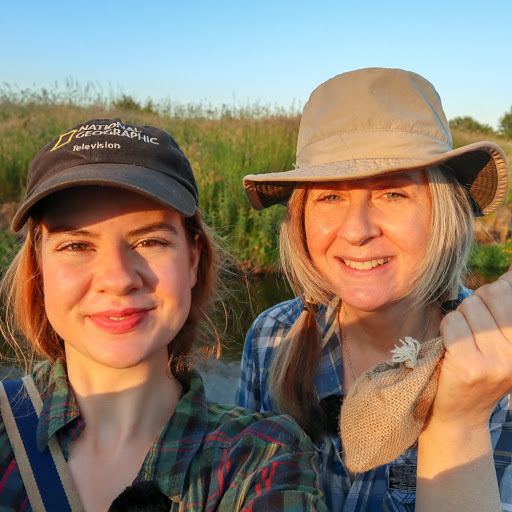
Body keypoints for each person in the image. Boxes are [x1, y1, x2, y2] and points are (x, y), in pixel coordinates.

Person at [0, 119, 328, 512]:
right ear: (38, 267)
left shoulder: (261, 459)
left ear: (193, 259)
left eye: (150, 240)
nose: (118, 279)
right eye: (76, 245)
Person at [236, 68, 512, 511]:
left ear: (445, 212)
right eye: (330, 197)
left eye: (393, 194)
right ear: (301, 218)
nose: (358, 231)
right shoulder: (271, 337)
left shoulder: (500, 364)